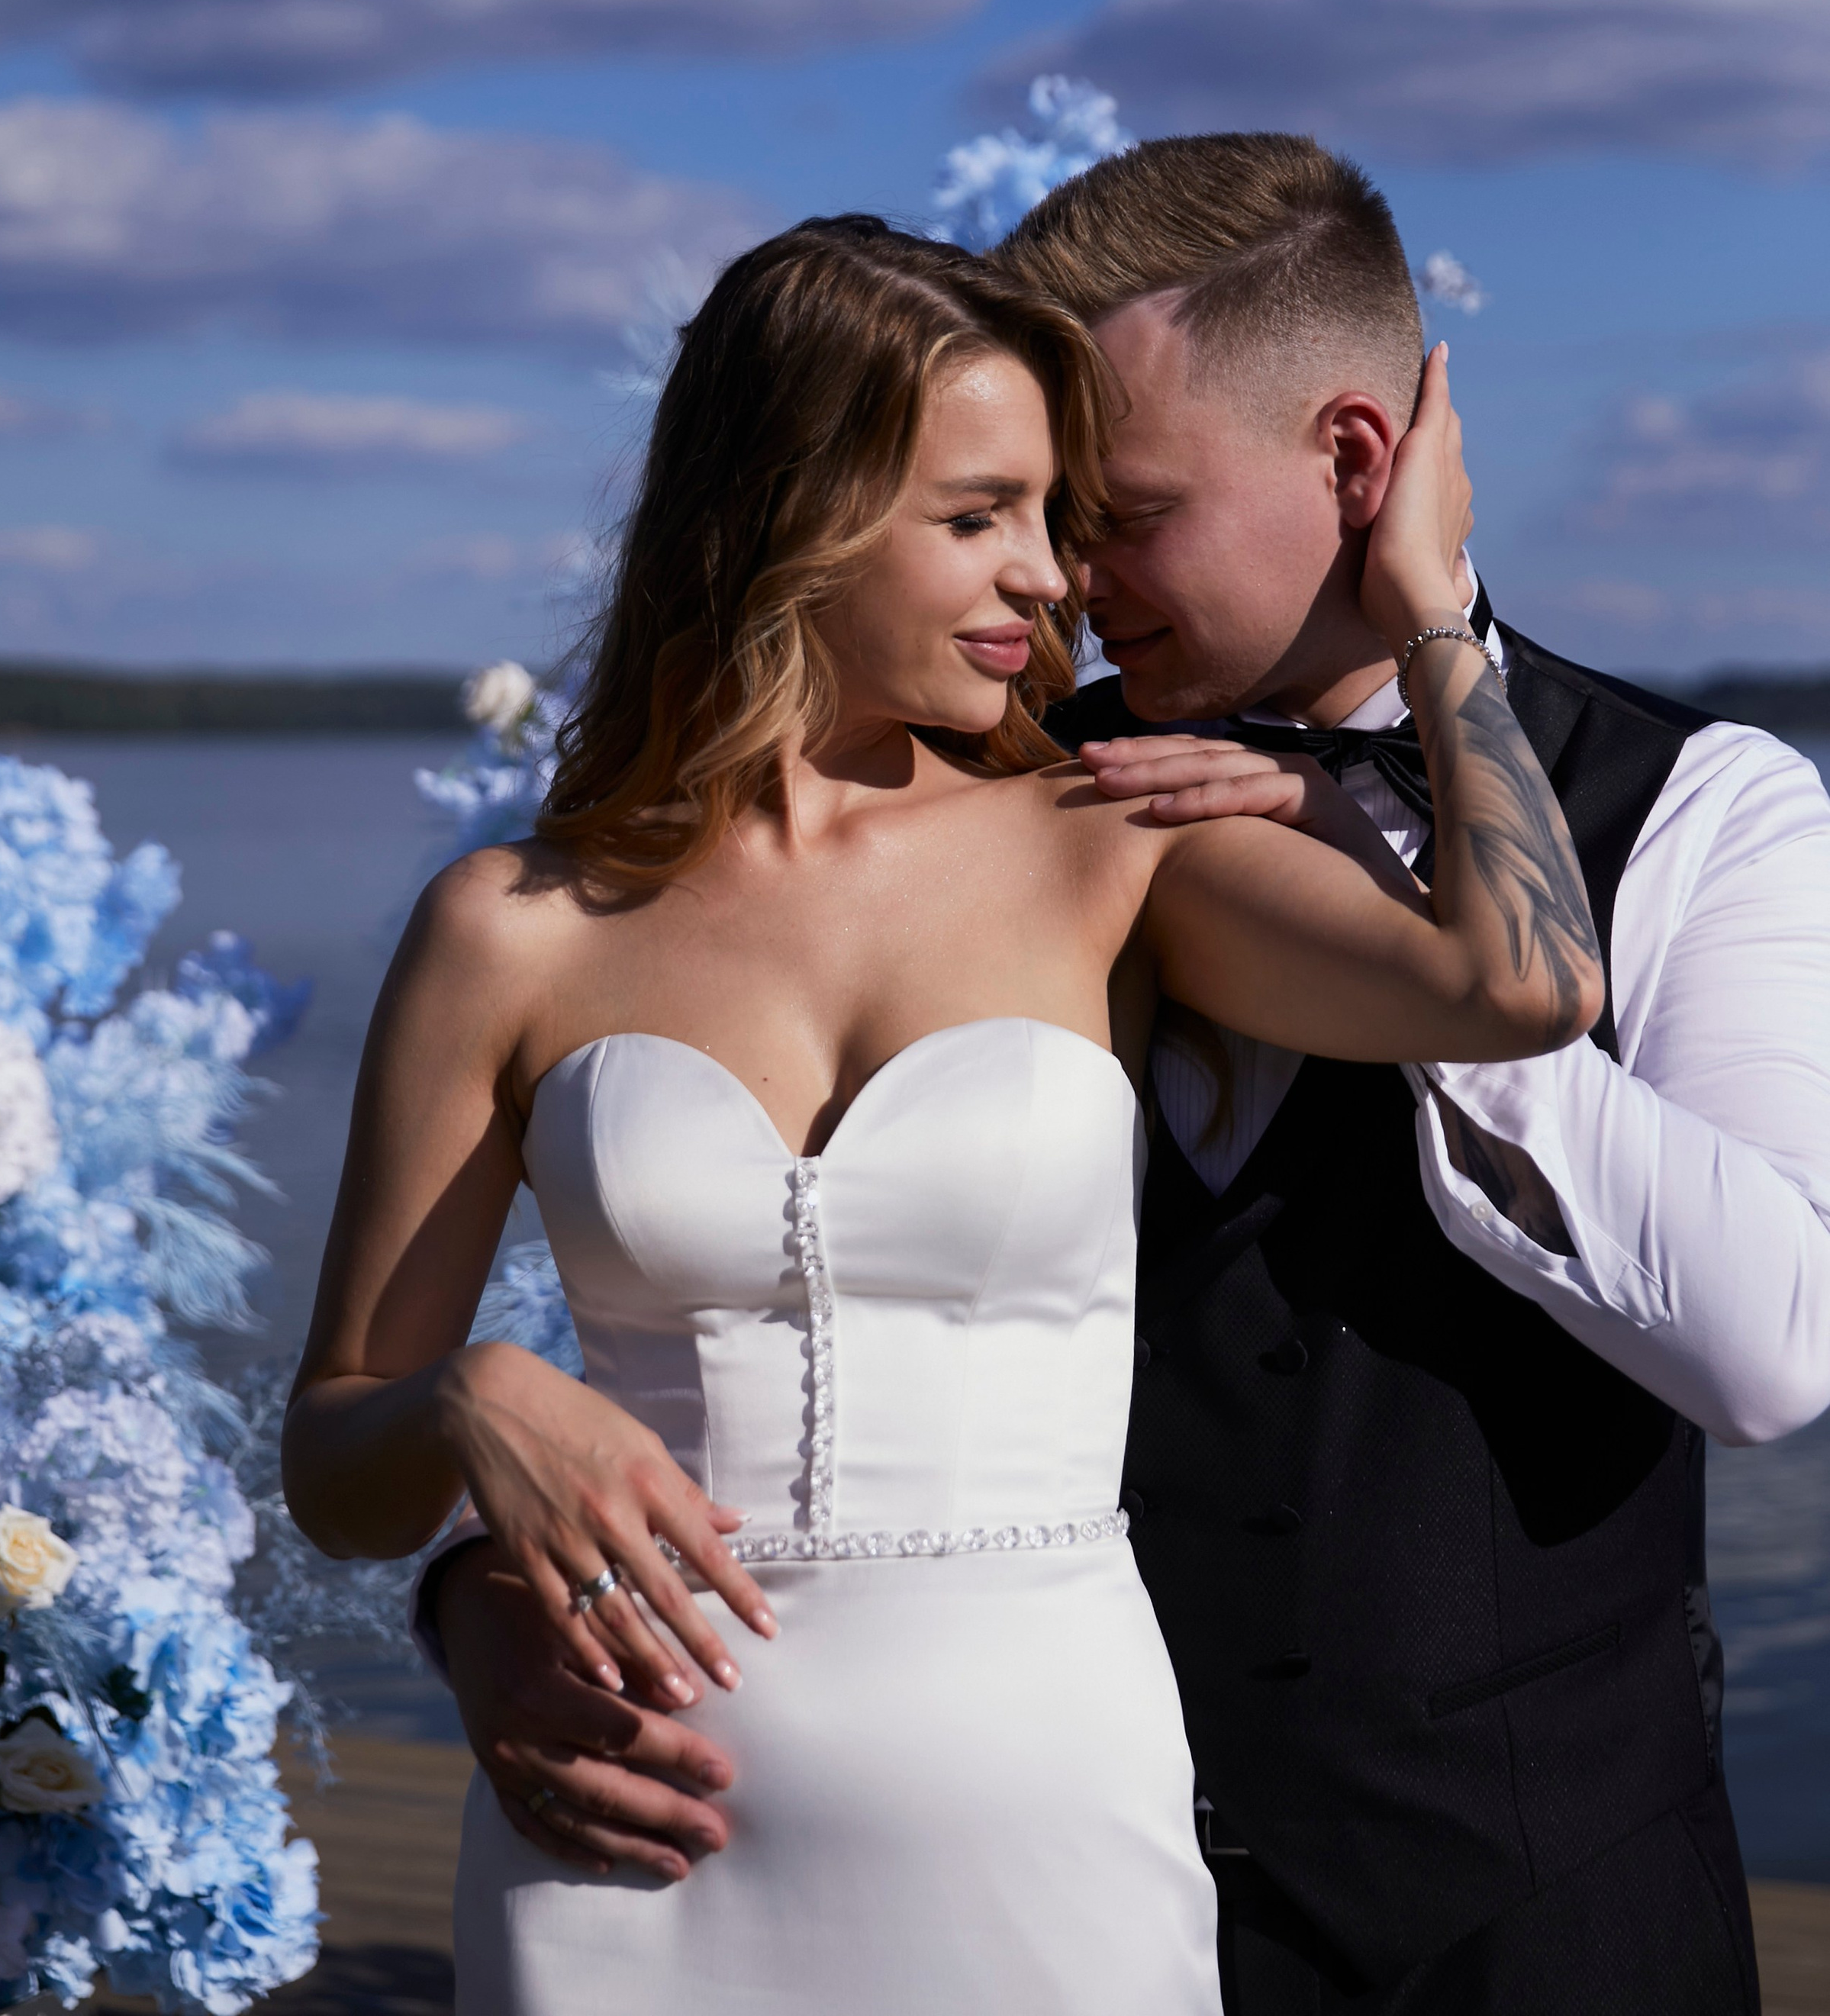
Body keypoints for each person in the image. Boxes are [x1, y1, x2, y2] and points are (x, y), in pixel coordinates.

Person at [422, 140, 1830, 2016]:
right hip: (1050, 1876)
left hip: (1537, 1924)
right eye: (1027, 510)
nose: (1064, 576)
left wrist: (1382, 848)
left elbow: (1765, 1349)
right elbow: (719, 1291)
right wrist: (478, 1597)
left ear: (1357, 465)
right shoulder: (999, 797)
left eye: (1121, 511)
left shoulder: (1699, 810)